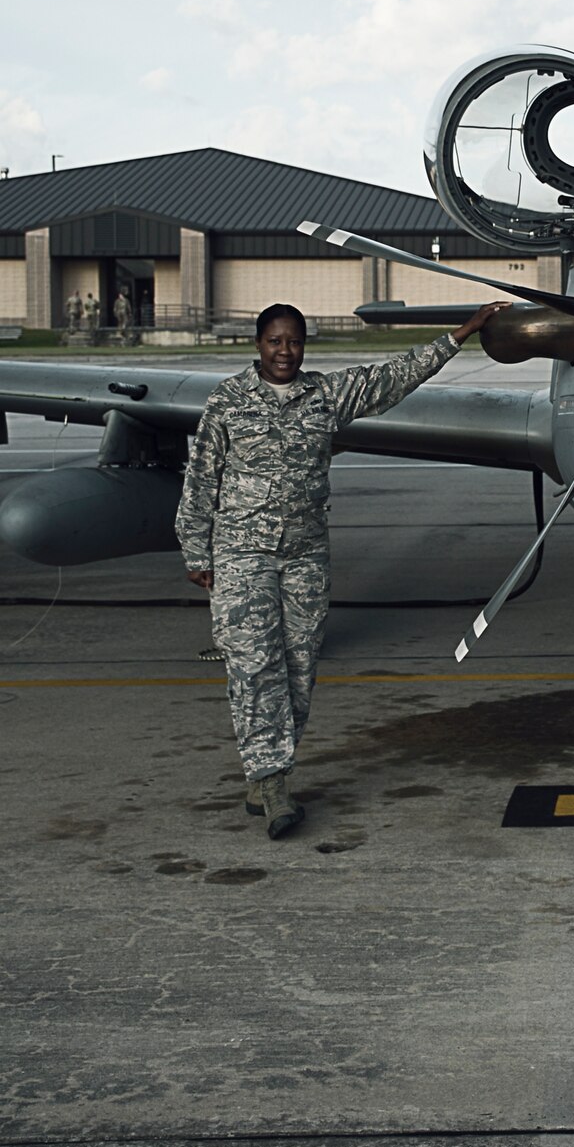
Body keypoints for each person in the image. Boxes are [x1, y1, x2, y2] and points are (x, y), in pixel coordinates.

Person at [175, 300, 501, 838]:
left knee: (300, 668)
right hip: (241, 553)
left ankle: (264, 772)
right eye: (275, 341)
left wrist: (461, 334)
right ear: (258, 345)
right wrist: (196, 550)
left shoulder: (324, 395)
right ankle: (274, 784)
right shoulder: (228, 402)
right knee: (255, 666)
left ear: (304, 347)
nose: (285, 352)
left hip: (304, 555)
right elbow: (200, 477)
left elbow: (392, 377)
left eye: (294, 342)